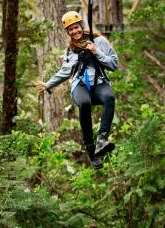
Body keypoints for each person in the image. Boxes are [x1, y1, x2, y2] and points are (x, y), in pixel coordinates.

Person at [36, 11, 118, 169]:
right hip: (80, 85)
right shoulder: (71, 51)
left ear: (81, 26)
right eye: (70, 30)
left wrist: (96, 52)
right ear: (68, 32)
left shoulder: (100, 41)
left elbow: (113, 64)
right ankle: (91, 149)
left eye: (76, 28)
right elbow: (65, 72)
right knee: (85, 103)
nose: (74, 32)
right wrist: (48, 84)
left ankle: (102, 139)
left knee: (109, 97)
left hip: (99, 83)